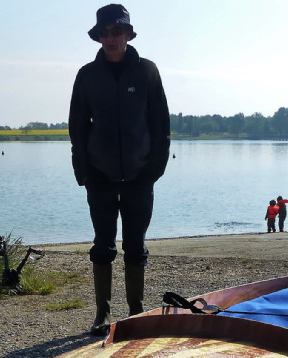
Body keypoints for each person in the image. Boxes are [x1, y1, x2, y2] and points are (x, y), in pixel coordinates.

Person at [69, 4, 170, 336]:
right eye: (105, 32)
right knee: (102, 246)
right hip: (99, 177)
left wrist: (153, 170)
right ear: (98, 37)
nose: (110, 38)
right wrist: (84, 173)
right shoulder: (87, 75)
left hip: (140, 177)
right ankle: (102, 314)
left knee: (136, 246)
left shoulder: (148, 72)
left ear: (128, 34)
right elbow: (77, 128)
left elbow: (161, 125)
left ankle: (136, 313)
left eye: (117, 31)